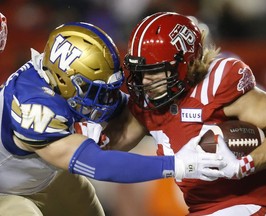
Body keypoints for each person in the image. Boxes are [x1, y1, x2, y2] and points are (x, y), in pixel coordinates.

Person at [0, 21, 226, 216]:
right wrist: (179, 164)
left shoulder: (60, 82)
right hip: (4, 189)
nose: (107, 99)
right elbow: (97, 164)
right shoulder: (34, 106)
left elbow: (134, 112)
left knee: (82, 197)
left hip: (32, 178)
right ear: (63, 80)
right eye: (95, 90)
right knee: (20, 211)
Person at [100, 12, 266, 215]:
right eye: (140, 72)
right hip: (201, 210)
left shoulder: (217, 85)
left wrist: (244, 165)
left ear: (185, 63)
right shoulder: (149, 104)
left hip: (251, 204)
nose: (145, 81)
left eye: (154, 71)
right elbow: (105, 151)